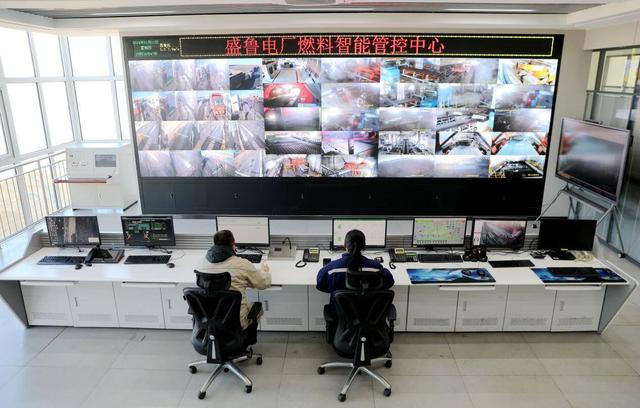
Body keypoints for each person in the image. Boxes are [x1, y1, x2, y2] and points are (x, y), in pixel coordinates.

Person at [196, 230, 271, 331]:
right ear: (233, 243)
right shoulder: (242, 264)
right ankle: (244, 335)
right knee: (258, 309)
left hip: (208, 319)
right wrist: (264, 271)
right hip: (236, 321)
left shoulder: (201, 264)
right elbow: (263, 283)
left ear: (214, 243)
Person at [316, 229, 394, 300]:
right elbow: (389, 282)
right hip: (369, 310)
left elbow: (320, 284)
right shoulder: (376, 268)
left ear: (345, 246)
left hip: (340, 310)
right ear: (364, 246)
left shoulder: (333, 269)